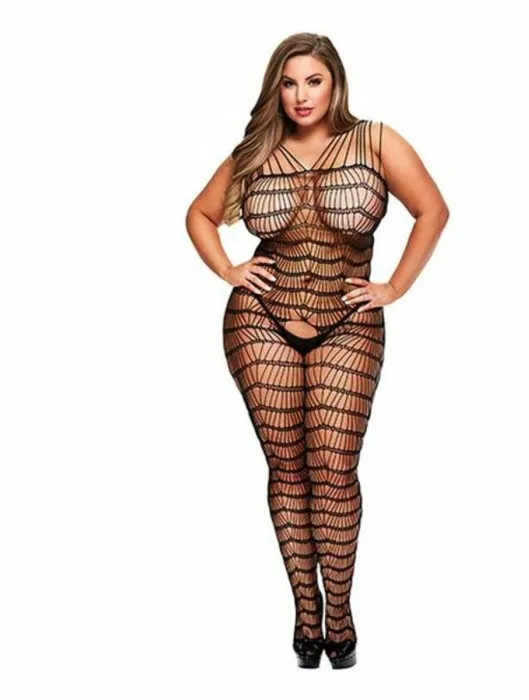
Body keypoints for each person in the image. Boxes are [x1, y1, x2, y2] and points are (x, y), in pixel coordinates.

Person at [185, 32, 449, 669]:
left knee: (334, 468)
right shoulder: (255, 152)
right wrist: (229, 270)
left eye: (313, 81)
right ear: (275, 88)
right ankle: (307, 610)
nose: (301, 95)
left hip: (349, 320)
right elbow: (199, 214)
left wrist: (393, 287)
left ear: (335, 83)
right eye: (289, 82)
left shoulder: (375, 141)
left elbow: (432, 210)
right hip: (260, 321)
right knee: (287, 469)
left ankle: (343, 609)